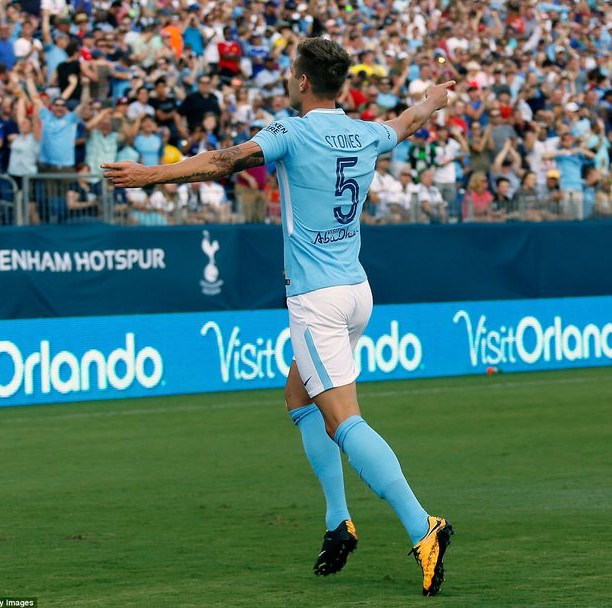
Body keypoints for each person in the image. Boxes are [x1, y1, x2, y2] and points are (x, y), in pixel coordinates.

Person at [103, 38, 454, 597]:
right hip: (357, 290)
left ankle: (423, 526)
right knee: (299, 398)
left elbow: (223, 162)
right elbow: (406, 122)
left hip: (316, 299)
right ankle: (338, 523)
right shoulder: (364, 131)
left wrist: (149, 176)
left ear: (302, 82)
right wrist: (434, 99)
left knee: (343, 422)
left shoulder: (291, 131)